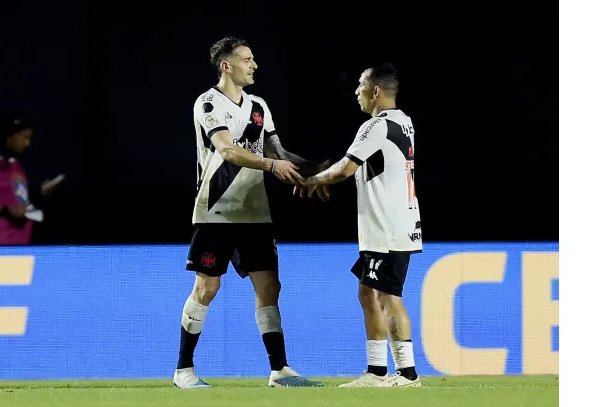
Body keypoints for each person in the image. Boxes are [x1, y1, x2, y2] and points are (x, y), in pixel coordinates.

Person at [173, 36, 325, 389]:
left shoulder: (259, 106)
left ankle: (280, 370)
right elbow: (227, 150)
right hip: (217, 210)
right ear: (227, 65)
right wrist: (272, 166)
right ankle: (184, 370)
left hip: (255, 212)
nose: (254, 64)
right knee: (207, 288)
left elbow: (279, 151)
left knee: (269, 286)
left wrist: (314, 172)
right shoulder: (208, 103)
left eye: (254, 58)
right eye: (247, 59)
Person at [298, 63, 422, 387]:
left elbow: (345, 168)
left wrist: (312, 180)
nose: (356, 92)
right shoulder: (404, 122)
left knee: (388, 297)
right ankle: (377, 371)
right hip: (391, 223)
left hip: (389, 226)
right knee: (368, 292)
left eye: (360, 86)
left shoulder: (376, 126)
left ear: (375, 91)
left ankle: (407, 374)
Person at [0, 110, 63, 245]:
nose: (27, 144)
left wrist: (39, 191)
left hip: (21, 245)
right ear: (8, 136)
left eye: (29, 139)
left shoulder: (15, 164)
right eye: (24, 137)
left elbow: (15, 198)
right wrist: (5, 210)